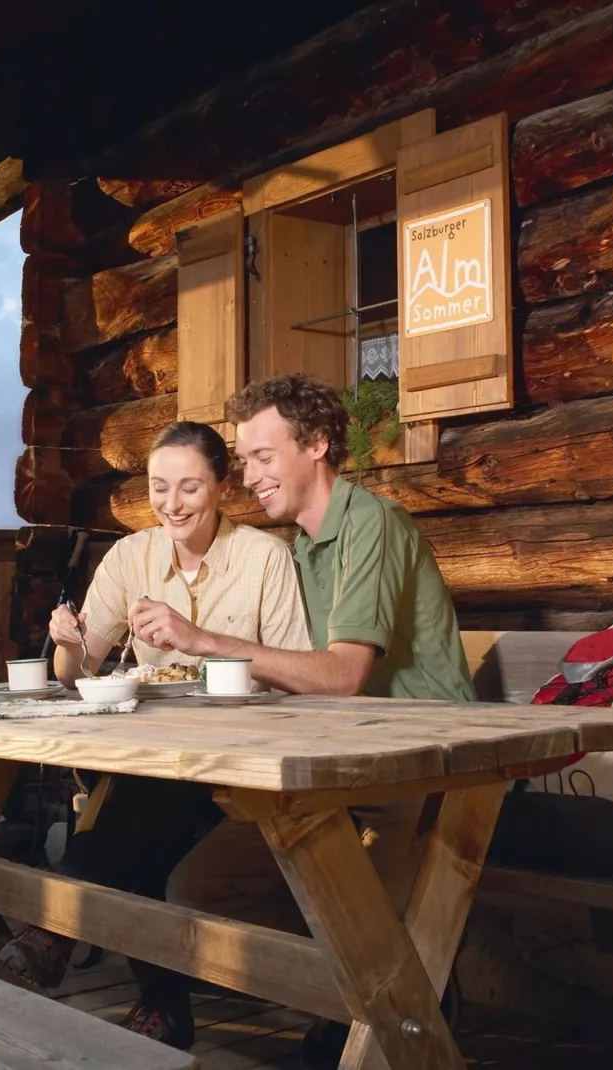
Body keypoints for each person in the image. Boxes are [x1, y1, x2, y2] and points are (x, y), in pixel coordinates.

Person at [117, 373, 477, 1059]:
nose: (248, 476)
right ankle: (368, 996)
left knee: (353, 907)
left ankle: (383, 1011)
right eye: (244, 459)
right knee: (196, 889)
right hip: (343, 758)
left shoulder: (371, 522)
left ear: (315, 444)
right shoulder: (303, 549)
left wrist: (203, 640)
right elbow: (303, 679)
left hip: (424, 763)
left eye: (261, 455)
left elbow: (342, 676)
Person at [0, 420, 312, 1049]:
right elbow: (82, 668)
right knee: (145, 812)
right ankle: (158, 1003)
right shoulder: (130, 556)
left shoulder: (263, 558)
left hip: (243, 753)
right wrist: (66, 643)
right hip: (158, 752)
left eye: (190, 487)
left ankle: (64, 924)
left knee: (137, 815)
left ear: (222, 486)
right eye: (159, 487)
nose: (172, 504)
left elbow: (296, 672)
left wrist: (200, 642)